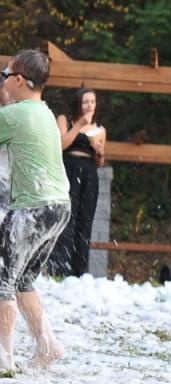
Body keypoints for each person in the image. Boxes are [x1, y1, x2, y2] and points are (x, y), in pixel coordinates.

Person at [0, 49, 71, 371]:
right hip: (59, 206)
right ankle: (47, 345)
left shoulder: (15, 116)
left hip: (32, 208)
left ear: (17, 80)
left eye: (5, 75)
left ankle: (5, 358)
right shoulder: (43, 111)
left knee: (3, 281)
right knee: (24, 280)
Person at [49, 86, 106, 277]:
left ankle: (78, 272)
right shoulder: (65, 119)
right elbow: (62, 144)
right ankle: (58, 267)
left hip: (90, 173)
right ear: (78, 103)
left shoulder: (99, 129)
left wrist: (100, 152)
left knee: (85, 220)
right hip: (69, 168)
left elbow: (100, 162)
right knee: (66, 217)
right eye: (85, 101)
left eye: (92, 101)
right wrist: (80, 124)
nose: (89, 105)